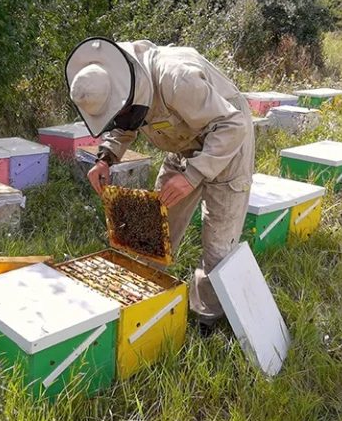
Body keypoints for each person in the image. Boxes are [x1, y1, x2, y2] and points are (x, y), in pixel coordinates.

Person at [65, 37, 255, 334]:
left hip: (227, 141)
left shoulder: (178, 79)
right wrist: (105, 157)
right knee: (154, 227)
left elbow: (232, 126)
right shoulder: (116, 80)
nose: (122, 117)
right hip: (182, 145)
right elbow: (124, 123)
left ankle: (208, 318)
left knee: (218, 245)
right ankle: (146, 300)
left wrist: (192, 176)